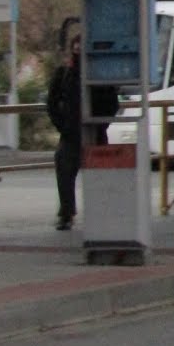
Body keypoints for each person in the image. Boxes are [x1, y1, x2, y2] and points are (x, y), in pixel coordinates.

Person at [47, 34, 119, 231]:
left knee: (100, 175)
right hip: (71, 134)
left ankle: (100, 211)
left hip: (94, 133)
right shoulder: (64, 73)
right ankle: (67, 213)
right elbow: (52, 103)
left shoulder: (99, 74)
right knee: (64, 171)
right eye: (76, 48)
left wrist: (100, 125)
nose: (77, 52)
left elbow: (112, 104)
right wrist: (63, 126)